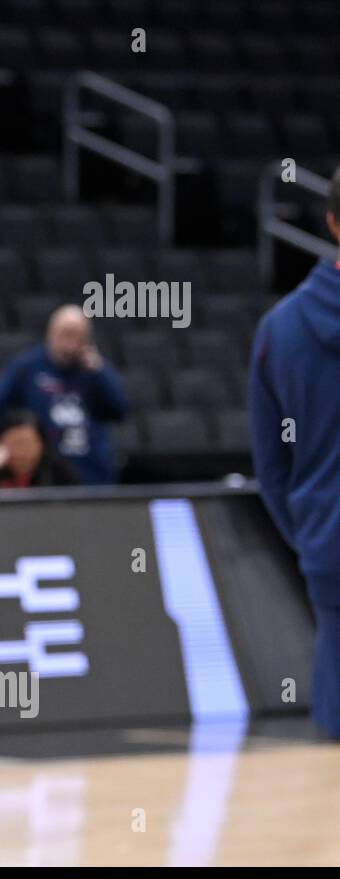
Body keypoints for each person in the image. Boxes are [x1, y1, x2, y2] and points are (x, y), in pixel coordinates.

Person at [249, 164, 340, 739]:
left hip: (329, 541)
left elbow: (270, 466)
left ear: (331, 221)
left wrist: (313, 529)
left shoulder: (280, 328)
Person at [0, 305, 127, 484]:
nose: (71, 343)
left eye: (78, 336)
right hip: (47, 471)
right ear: (51, 333)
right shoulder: (28, 367)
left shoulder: (95, 372)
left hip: (91, 468)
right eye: (66, 334)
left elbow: (120, 411)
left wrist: (101, 373)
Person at [0, 409, 80, 489]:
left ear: (41, 445)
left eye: (28, 444)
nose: (22, 453)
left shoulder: (54, 470)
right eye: (16, 444)